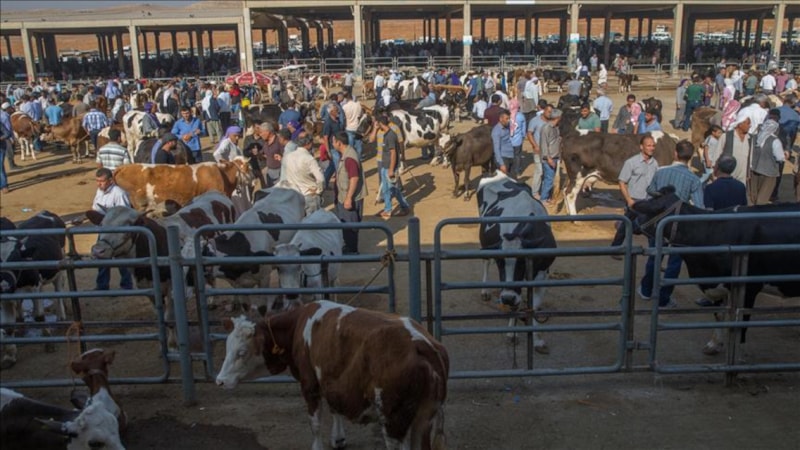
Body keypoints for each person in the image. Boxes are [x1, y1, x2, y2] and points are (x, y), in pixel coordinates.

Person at [639, 140, 704, 309]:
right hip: (679, 227)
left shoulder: (660, 172)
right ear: (690, 157)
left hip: (658, 222)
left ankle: (646, 290)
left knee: (655, 256)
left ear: (675, 153)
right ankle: (663, 299)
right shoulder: (694, 180)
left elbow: (650, 190)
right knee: (674, 263)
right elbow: (699, 207)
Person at [610, 135, 659, 251]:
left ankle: (653, 253)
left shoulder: (655, 163)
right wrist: (629, 200)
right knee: (626, 226)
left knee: (651, 226)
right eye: (649, 146)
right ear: (641, 147)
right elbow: (622, 182)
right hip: (634, 201)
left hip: (649, 200)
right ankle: (615, 249)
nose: (652, 148)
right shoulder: (631, 162)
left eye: (653, 146)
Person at [91, 168, 133, 291]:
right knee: (102, 257)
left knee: (121, 258)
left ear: (110, 180)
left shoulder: (119, 193)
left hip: (116, 232)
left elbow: (123, 213)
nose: (99, 184)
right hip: (103, 230)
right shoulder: (99, 191)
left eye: (102, 181)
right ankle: (102, 285)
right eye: (97, 181)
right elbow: (95, 209)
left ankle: (127, 285)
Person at [331, 131, 366, 255]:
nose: (332, 144)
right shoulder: (346, 154)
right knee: (347, 224)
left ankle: (352, 250)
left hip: (349, 197)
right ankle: (349, 246)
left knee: (350, 224)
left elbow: (354, 178)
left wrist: (348, 198)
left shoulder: (349, 158)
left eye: (333, 142)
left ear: (339, 143)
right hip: (344, 195)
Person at [376, 115, 411, 219]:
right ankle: (391, 208)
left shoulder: (390, 136)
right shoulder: (387, 134)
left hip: (389, 167)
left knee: (391, 189)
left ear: (381, 124)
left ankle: (400, 207)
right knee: (388, 189)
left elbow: (393, 153)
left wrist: (391, 169)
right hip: (385, 166)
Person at [281, 134, 324, 215]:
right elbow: (320, 178)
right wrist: (318, 190)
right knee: (312, 221)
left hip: (295, 195)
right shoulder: (309, 158)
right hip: (309, 195)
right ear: (309, 144)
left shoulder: (288, 157)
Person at [748, 118, 786, 205]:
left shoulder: (755, 138)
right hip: (769, 173)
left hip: (754, 170)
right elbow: (780, 158)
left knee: (753, 195)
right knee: (763, 197)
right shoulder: (775, 141)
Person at [526, 101, 551, 197]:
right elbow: (529, 134)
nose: (550, 114)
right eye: (548, 112)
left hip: (549, 151)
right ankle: (534, 192)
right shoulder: (535, 120)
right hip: (538, 150)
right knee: (539, 171)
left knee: (547, 172)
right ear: (544, 111)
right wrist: (535, 146)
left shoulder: (552, 121)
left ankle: (545, 192)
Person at [539, 109, 562, 204]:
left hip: (555, 156)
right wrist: (548, 158)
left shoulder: (556, 128)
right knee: (549, 179)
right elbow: (544, 145)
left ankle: (547, 197)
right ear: (558, 118)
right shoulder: (546, 128)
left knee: (549, 178)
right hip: (549, 158)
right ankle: (543, 199)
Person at [255, 122, 282, 188]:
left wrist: (281, 158)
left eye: (261, 132)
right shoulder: (266, 142)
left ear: (268, 132)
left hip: (279, 172)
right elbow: (266, 155)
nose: (260, 135)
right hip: (269, 171)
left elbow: (287, 155)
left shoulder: (279, 140)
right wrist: (258, 154)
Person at [341, 92, 363, 160]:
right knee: (359, 144)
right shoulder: (358, 105)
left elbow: (343, 117)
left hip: (349, 127)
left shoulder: (344, 107)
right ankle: (359, 158)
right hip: (357, 127)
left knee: (351, 145)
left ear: (346, 99)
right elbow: (360, 115)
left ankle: (352, 157)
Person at [0, 101, 19, 171]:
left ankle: (13, 164)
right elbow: (8, 128)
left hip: (5, 135)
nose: (11, 109)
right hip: (7, 136)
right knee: (10, 151)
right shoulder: (5, 116)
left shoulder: (3, 114)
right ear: (7, 109)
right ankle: (12, 166)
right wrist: (11, 138)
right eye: (10, 108)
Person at [510, 107, 527, 179]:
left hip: (508, 140)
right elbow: (523, 129)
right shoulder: (521, 116)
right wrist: (523, 137)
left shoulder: (507, 115)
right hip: (518, 140)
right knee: (517, 155)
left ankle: (509, 171)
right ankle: (517, 171)